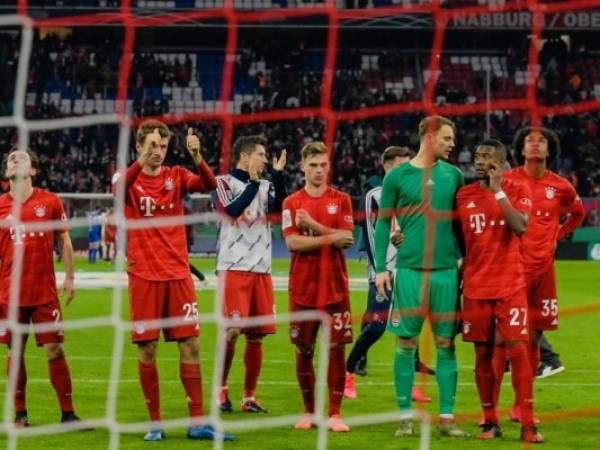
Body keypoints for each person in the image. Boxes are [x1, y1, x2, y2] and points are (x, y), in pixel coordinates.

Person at [111, 121, 233, 442]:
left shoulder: (176, 176)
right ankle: (155, 423)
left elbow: (207, 183)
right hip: (144, 276)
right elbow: (118, 189)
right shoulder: (129, 178)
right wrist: (143, 160)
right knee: (147, 349)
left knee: (190, 344)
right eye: (151, 145)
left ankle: (196, 423)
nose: (157, 152)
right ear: (138, 147)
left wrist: (197, 157)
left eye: (162, 146)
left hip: (178, 275)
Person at [374, 115, 467, 438]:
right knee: (406, 343)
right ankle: (405, 418)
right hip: (410, 271)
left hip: (445, 273)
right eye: (447, 138)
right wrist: (382, 269)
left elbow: (460, 226)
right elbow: (384, 224)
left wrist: (466, 262)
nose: (452, 143)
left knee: (446, 344)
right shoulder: (397, 178)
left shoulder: (454, 175)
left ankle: (446, 418)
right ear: (429, 138)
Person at [494, 126, 585, 423]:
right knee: (502, 341)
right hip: (511, 271)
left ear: (549, 150)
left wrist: (558, 234)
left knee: (533, 341)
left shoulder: (561, 186)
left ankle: (521, 406)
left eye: (541, 141)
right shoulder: (507, 182)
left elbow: (578, 213)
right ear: (520, 149)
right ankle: (489, 409)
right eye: (529, 141)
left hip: (544, 272)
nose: (535, 145)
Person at [456, 140, 542, 442]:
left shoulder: (519, 190)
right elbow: (461, 242)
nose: (481, 161)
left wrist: (498, 191)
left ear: (502, 163)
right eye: (478, 156)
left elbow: (519, 226)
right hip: (476, 287)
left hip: (510, 285)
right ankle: (489, 421)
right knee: (482, 353)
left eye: (488, 157)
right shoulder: (463, 195)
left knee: (518, 350)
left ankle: (528, 424)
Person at [0, 147, 86, 428]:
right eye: (12, 158)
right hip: (9, 295)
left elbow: (65, 239)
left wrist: (70, 278)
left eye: (21, 156)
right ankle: (20, 415)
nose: (15, 159)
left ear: (33, 170)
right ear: (7, 172)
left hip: (45, 293)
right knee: (15, 353)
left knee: (55, 351)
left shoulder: (49, 201)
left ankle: (68, 414)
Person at [343, 146, 433, 403]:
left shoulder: (413, 194)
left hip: (409, 271)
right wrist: (379, 269)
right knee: (377, 327)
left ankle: (410, 386)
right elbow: (372, 236)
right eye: (402, 166)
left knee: (409, 330)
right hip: (385, 274)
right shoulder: (375, 195)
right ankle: (348, 372)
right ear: (388, 167)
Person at [282, 142, 354, 433]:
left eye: (323, 164)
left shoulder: (342, 199)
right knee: (304, 349)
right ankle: (310, 412)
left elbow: (347, 239)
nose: (319, 170)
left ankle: (335, 414)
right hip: (303, 288)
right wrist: (329, 238)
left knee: (336, 349)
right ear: (302, 167)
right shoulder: (291, 202)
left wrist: (314, 225)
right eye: (313, 165)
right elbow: (292, 243)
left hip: (335, 286)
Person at [213, 135, 287, 414]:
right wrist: (253, 184)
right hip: (233, 266)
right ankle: (220, 391)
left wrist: (278, 176)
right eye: (261, 155)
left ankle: (249, 397)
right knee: (232, 331)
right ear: (244, 156)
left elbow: (279, 207)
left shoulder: (266, 185)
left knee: (256, 336)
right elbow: (231, 211)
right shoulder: (222, 183)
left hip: (261, 268)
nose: (265, 160)